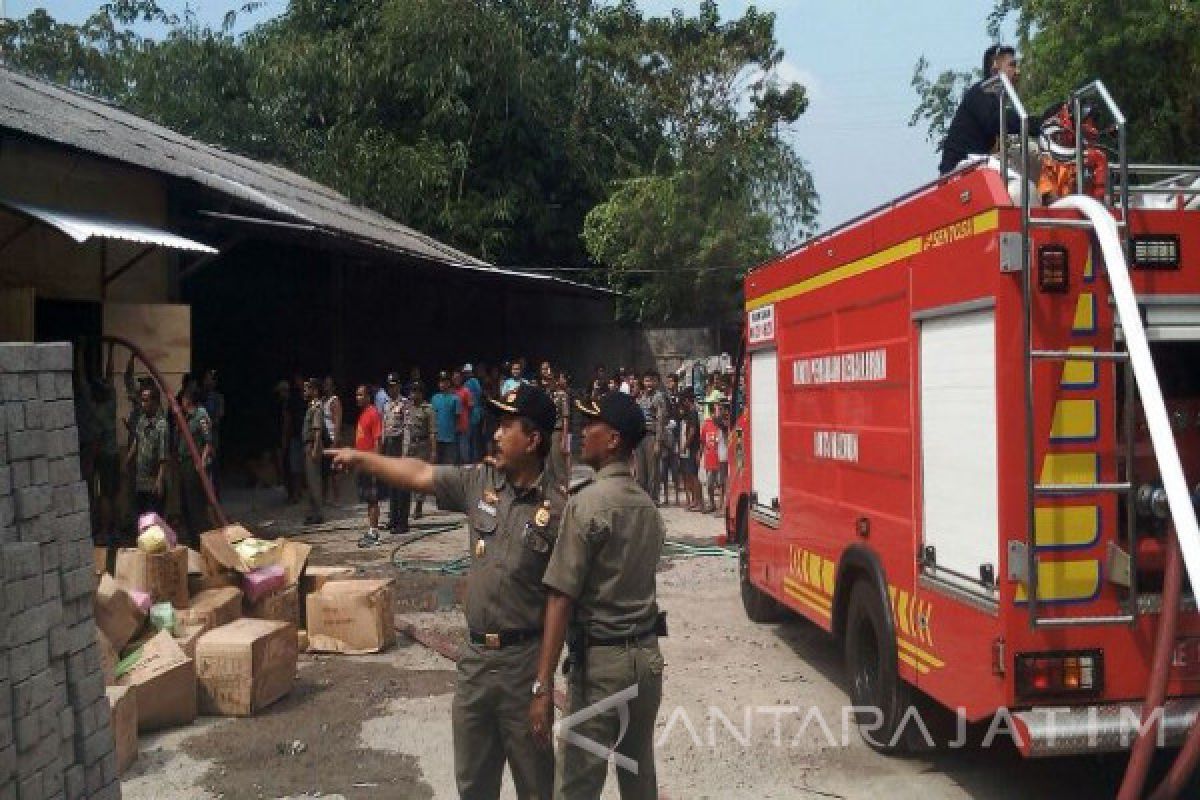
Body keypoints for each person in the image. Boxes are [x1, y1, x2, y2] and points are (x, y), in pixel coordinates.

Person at [327, 383, 565, 800]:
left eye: (506, 426)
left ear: (532, 439)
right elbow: (419, 474)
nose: (494, 434)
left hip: (523, 665)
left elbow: (561, 603)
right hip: (475, 662)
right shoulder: (480, 483)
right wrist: (362, 458)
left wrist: (542, 687)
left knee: (536, 785)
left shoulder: (560, 511)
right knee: (473, 782)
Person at [530, 391, 666, 800]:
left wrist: (541, 686)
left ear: (613, 440)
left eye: (592, 425)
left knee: (576, 783)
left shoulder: (587, 504)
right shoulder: (648, 507)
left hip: (601, 666)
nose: (582, 432)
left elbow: (560, 597)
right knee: (638, 777)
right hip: (646, 660)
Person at [938, 44, 1023, 175]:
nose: (1017, 72)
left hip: (977, 167)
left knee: (1027, 152)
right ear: (995, 69)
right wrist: (1040, 123)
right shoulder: (981, 93)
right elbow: (998, 121)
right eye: (1012, 65)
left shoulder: (994, 100)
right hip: (960, 173)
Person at [177, 387, 213, 544]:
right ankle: (193, 538)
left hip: (195, 464)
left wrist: (202, 461)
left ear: (189, 399)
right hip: (184, 462)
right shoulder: (185, 416)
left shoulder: (201, 415)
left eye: (183, 399)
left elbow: (208, 442)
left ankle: (201, 539)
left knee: (196, 504)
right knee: (186, 503)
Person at [127, 384, 168, 516]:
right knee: (142, 519)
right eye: (142, 400)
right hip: (140, 481)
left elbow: (163, 456)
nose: (142, 404)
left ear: (155, 401)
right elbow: (137, 441)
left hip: (153, 482)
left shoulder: (162, 425)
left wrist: (159, 480)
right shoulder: (142, 420)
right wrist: (127, 460)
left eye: (146, 400)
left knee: (154, 524)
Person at [380, 373, 411, 535]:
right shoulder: (386, 404)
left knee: (402, 486)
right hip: (390, 446)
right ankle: (393, 518)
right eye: (389, 386)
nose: (391, 389)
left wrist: (405, 452)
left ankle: (402, 522)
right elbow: (384, 427)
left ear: (399, 386)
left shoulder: (405, 403)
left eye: (394, 386)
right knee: (392, 485)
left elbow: (407, 428)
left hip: (400, 446)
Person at [353, 384, 384, 544]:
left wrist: (375, 462)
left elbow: (378, 440)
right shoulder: (363, 414)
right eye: (356, 395)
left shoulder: (373, 413)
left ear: (368, 397)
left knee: (373, 499)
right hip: (362, 463)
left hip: (370, 462)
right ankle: (371, 529)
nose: (357, 398)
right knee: (368, 498)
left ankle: (374, 533)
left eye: (360, 395)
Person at [403, 380, 437, 520]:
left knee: (419, 476)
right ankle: (404, 506)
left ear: (421, 393)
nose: (412, 394)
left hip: (422, 445)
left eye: (415, 391)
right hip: (409, 443)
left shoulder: (428, 409)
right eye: (411, 391)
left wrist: (433, 451)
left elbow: (432, 432)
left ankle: (418, 505)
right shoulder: (407, 407)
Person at [634, 371, 667, 499]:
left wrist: (658, 441)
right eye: (646, 381)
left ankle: (653, 498)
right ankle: (643, 497)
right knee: (640, 471)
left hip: (652, 436)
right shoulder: (641, 398)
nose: (648, 384)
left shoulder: (659, 397)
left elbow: (660, 421)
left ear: (656, 382)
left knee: (653, 470)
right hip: (640, 436)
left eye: (651, 381)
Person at [302, 378, 325, 524]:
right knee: (310, 481)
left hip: (312, 445)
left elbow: (317, 431)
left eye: (307, 389)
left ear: (314, 391)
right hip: (308, 445)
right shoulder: (310, 406)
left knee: (314, 480)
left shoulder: (316, 407)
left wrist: (316, 449)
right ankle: (312, 512)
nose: (304, 392)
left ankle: (318, 514)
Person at [201, 368, 225, 496]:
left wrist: (207, 423)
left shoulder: (218, 398)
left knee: (213, 467)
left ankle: (215, 497)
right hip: (201, 437)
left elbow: (219, 416)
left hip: (213, 437)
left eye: (209, 379)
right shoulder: (201, 396)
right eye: (206, 378)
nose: (206, 381)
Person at [678, 388, 702, 511]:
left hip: (694, 447)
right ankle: (694, 501)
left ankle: (698, 502)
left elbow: (692, 431)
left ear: (687, 400)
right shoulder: (691, 412)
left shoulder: (693, 412)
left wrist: (685, 445)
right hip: (692, 447)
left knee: (694, 475)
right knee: (691, 474)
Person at [432, 371, 462, 466]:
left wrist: (455, 433)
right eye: (440, 382)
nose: (442, 384)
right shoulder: (435, 398)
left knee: (449, 466)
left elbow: (458, 418)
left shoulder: (455, 399)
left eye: (444, 381)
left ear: (449, 383)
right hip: (437, 437)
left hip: (450, 438)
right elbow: (433, 418)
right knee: (437, 465)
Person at [322, 376, 344, 504]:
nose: (326, 387)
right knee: (325, 470)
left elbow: (337, 422)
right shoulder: (324, 400)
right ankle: (325, 496)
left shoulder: (335, 401)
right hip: (324, 439)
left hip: (332, 438)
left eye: (329, 385)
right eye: (325, 384)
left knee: (335, 470)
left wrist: (335, 441)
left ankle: (337, 498)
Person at [700, 402, 725, 513]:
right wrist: (700, 453)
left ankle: (721, 506)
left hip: (721, 458)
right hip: (710, 458)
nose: (717, 413)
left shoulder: (723, 424)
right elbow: (703, 441)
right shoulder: (707, 424)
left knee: (721, 484)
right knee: (709, 484)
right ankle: (712, 504)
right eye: (716, 410)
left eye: (719, 410)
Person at [549, 370, 572, 490]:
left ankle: (565, 492)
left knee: (559, 465)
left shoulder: (563, 395)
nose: (549, 382)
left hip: (558, 432)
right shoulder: (550, 395)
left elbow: (565, 418)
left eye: (551, 379)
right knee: (550, 465)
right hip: (549, 431)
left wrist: (564, 438)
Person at [452, 368, 474, 465]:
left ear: (461, 379)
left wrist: (465, 419)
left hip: (463, 426)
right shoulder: (450, 392)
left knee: (464, 452)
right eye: (454, 378)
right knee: (454, 454)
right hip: (451, 427)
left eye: (458, 378)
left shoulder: (466, 391)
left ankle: (468, 476)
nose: (456, 379)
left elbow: (471, 406)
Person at [464, 363, 485, 463]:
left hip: (474, 414)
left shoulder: (473, 381)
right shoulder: (468, 382)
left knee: (475, 440)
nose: (466, 374)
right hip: (469, 415)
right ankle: (472, 461)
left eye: (468, 372)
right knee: (471, 440)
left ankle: (475, 462)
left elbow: (479, 394)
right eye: (465, 372)